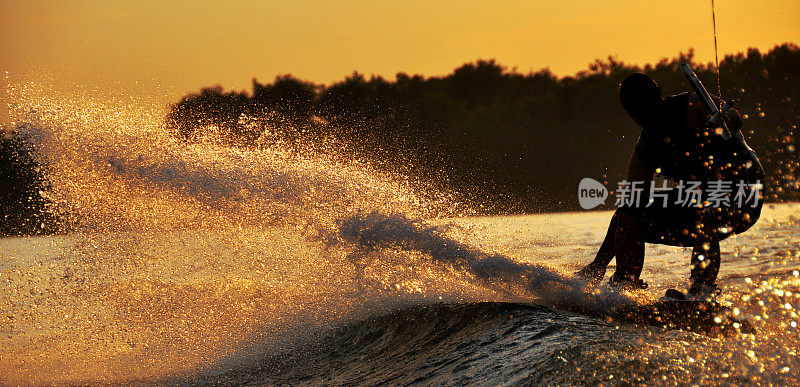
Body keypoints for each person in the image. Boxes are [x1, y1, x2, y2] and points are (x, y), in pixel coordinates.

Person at [576, 73, 764, 300]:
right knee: (628, 214)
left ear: (658, 93)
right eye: (637, 110)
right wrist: (599, 263)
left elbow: (732, 114)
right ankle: (625, 288)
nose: (645, 114)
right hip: (698, 201)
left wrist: (728, 119)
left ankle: (701, 289)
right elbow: (630, 209)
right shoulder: (644, 152)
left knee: (705, 203)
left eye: (647, 105)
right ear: (631, 114)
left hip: (744, 195)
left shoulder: (692, 104)